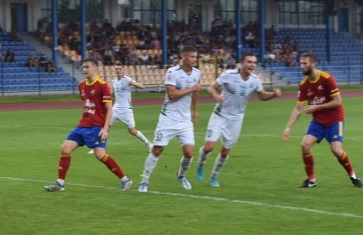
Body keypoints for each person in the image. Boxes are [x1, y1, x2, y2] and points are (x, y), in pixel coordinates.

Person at [43, 59, 134, 192]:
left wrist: (105, 128)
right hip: (82, 126)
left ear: (95, 68)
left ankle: (125, 180)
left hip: (96, 127)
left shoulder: (103, 85)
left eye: (87, 67)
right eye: (83, 67)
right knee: (65, 148)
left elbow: (109, 109)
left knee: (100, 154)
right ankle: (59, 184)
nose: (84, 70)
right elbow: (87, 103)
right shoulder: (81, 85)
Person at [195, 53, 281, 187]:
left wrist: (274, 95)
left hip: (236, 119)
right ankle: (201, 164)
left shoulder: (255, 80)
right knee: (208, 148)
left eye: (254, 62)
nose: (252, 65)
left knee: (225, 151)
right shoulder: (229, 75)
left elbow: (262, 96)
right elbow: (212, 87)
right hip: (220, 115)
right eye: (249, 62)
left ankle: (214, 176)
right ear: (241, 64)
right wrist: (216, 96)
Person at [282, 53, 362, 188]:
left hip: (335, 119)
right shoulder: (304, 85)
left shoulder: (327, 78)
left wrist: (316, 107)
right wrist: (288, 128)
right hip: (318, 121)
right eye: (300, 63)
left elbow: (338, 102)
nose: (301, 66)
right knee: (305, 145)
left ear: (313, 64)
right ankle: (311, 180)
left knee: (336, 150)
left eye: (304, 63)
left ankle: (353, 176)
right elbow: (297, 109)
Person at [138, 47, 202, 193]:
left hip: (185, 120)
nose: (194, 59)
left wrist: (194, 110)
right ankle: (144, 180)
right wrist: (192, 89)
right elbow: (172, 95)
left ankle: (181, 175)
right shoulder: (172, 72)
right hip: (169, 118)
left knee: (189, 153)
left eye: (195, 57)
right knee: (157, 150)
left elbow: (196, 92)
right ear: (183, 57)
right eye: (192, 56)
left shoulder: (197, 73)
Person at [89, 61, 153, 154]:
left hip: (126, 109)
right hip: (116, 108)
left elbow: (138, 85)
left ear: (123, 70)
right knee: (105, 127)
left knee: (132, 131)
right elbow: (110, 93)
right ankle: (98, 147)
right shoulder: (114, 81)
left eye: (119, 69)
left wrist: (139, 85)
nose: (118, 70)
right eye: (116, 69)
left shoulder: (127, 79)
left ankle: (149, 144)